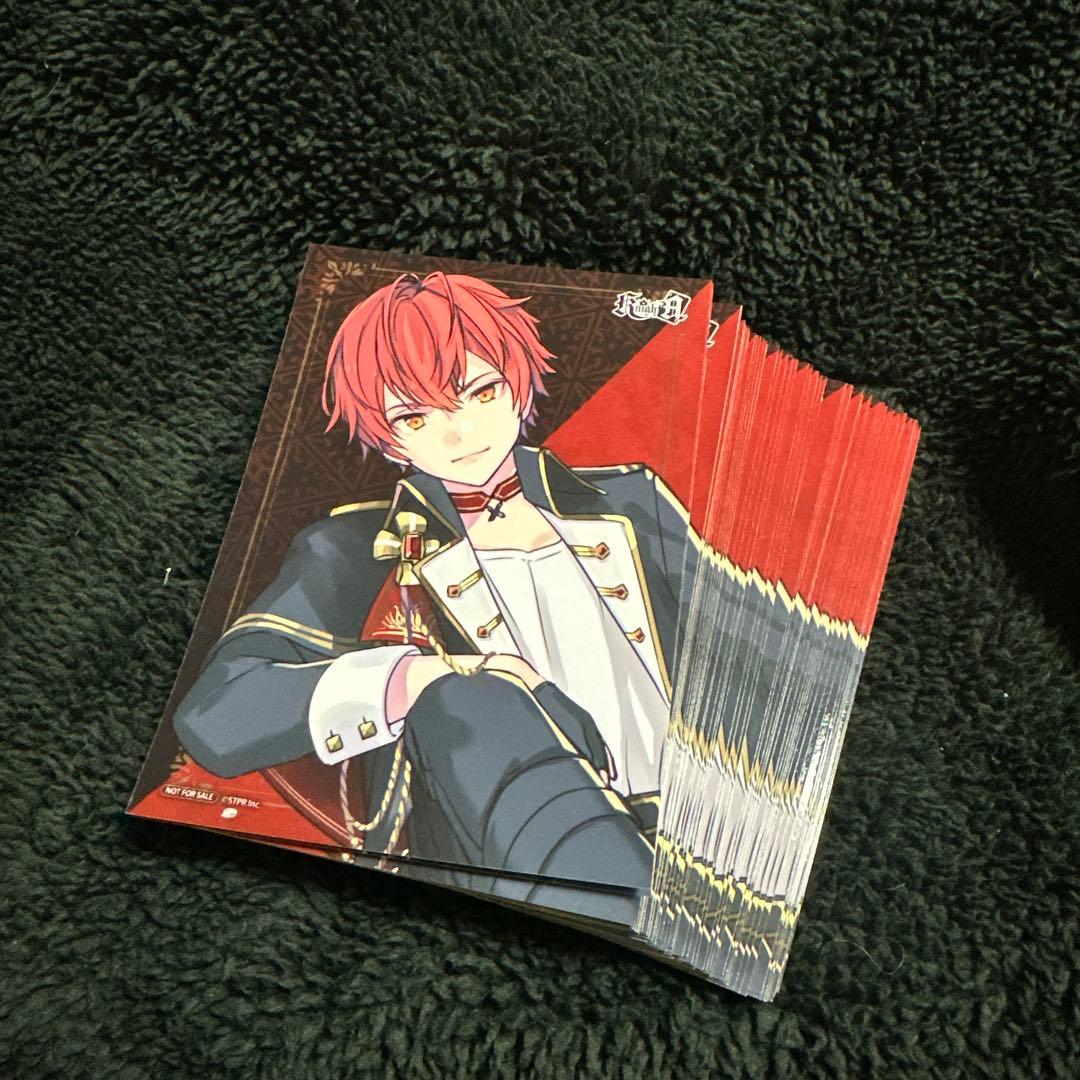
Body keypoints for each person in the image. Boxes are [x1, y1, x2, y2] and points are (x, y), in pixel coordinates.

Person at [172, 271, 698, 921]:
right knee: (469, 701)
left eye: (481, 391)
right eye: (416, 416)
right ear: (386, 434)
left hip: (706, 829)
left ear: (519, 380)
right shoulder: (355, 547)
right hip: (505, 852)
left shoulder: (632, 501)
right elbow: (217, 714)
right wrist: (424, 676)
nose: (461, 432)